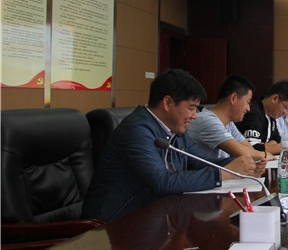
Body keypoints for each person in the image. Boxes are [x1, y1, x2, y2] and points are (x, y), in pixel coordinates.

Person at [82, 69, 259, 222]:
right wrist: (225, 173)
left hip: (157, 215)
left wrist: (242, 165)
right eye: (191, 108)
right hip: (116, 224)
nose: (195, 116)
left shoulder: (176, 129)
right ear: (167, 103)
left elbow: (199, 161)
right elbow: (161, 182)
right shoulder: (136, 130)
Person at [187, 75, 274, 161]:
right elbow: (243, 153)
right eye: (247, 102)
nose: (248, 109)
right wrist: (264, 155)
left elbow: (249, 149)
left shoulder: (229, 123)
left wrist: (259, 155)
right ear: (233, 98)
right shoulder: (207, 120)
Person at [237, 80, 288, 154]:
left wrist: (267, 147)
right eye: (286, 108)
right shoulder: (253, 114)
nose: (285, 113)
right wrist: (284, 147)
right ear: (274, 99)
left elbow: (276, 138)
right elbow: (252, 148)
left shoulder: (271, 115)